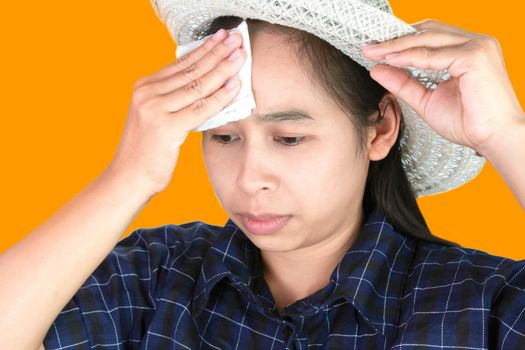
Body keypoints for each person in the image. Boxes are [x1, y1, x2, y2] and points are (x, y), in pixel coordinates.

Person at [1, 0, 524, 349]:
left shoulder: (483, 304)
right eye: (223, 137)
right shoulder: (150, 280)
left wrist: (504, 131)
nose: (251, 177)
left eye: (289, 138)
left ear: (379, 129)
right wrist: (128, 176)